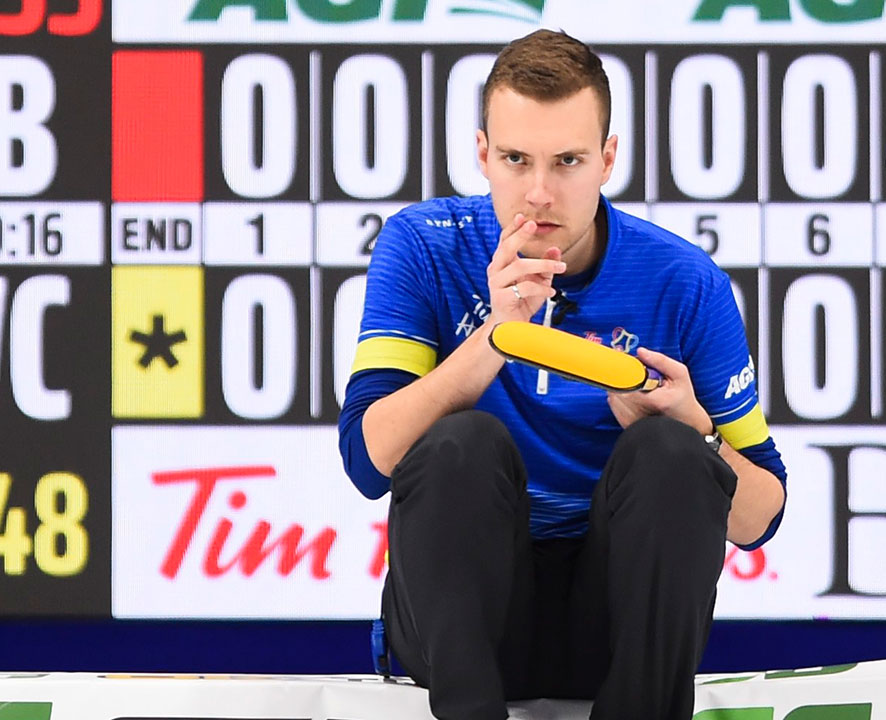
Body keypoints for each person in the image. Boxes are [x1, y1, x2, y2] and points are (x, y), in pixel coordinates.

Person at [337, 29, 787, 720]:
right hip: (459, 623)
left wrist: (696, 430)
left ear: (607, 160)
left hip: (615, 627)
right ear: (482, 154)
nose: (539, 194)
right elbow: (371, 463)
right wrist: (496, 335)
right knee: (464, 445)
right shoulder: (424, 244)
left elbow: (759, 518)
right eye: (516, 159)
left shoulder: (684, 280)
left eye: (567, 161)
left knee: (672, 453)